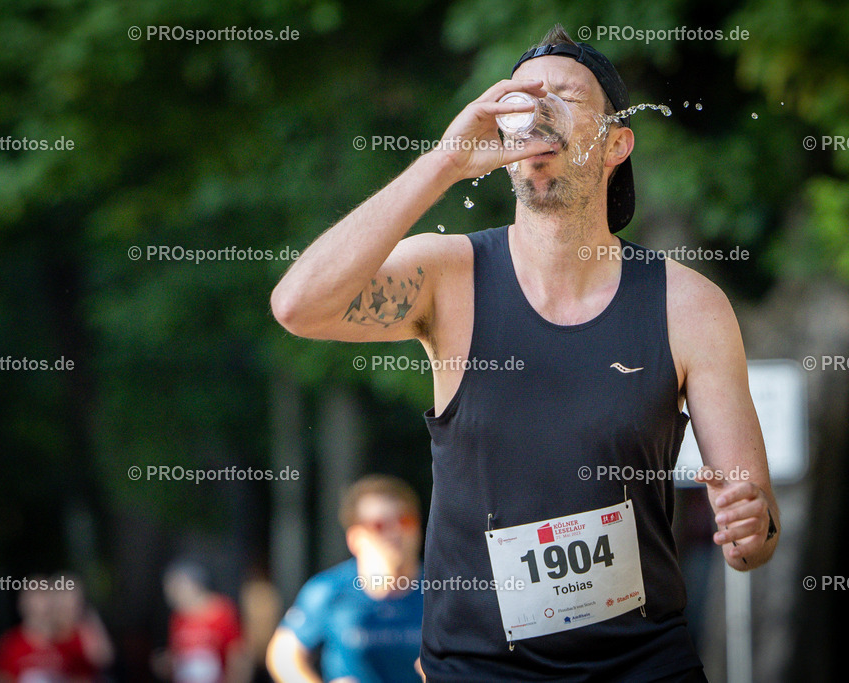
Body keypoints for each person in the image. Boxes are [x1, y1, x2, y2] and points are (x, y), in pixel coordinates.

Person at [270, 24, 780, 682]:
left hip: (643, 667)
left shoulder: (689, 305)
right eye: (522, 98)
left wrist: (750, 529)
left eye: (564, 95)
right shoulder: (449, 277)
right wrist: (446, 162)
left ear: (616, 142)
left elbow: (756, 534)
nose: (537, 108)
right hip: (476, 670)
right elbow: (297, 305)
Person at [266, 475, 424, 683]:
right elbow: (283, 655)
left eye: (405, 521)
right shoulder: (329, 590)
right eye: (379, 525)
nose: (395, 531)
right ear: (355, 538)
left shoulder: (442, 593)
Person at [154, 559, 247, 683]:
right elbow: (178, 656)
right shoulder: (178, 618)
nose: (170, 596)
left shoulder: (221, 612)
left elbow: (239, 655)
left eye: (174, 588)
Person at [0, 579, 63, 683]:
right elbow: (2, 677)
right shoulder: (10, 644)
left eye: (45, 595)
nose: (42, 605)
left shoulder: (67, 640)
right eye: (36, 597)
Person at [49, 573, 115, 682]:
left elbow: (104, 658)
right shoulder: (47, 630)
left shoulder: (86, 625)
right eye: (66, 594)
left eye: (75, 595)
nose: (72, 601)